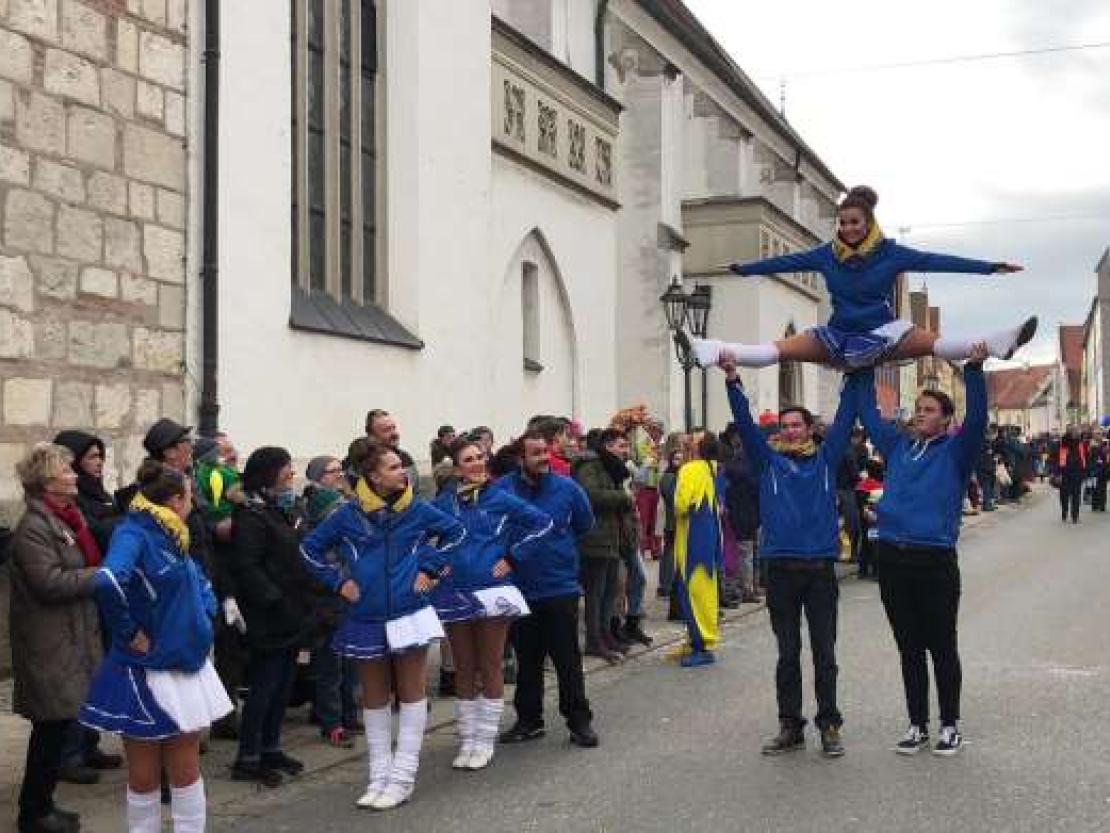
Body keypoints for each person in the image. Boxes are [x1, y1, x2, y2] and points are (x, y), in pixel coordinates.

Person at [683, 186, 1034, 371]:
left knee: (934, 343)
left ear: (868, 223)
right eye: (843, 222)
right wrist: (746, 268)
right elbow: (785, 262)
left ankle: (997, 343)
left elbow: (937, 260)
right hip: (838, 336)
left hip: (882, 334)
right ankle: (711, 350)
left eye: (855, 222)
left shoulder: (891, 253)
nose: (848, 229)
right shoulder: (826, 254)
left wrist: (989, 267)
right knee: (777, 350)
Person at [301, 441, 466, 811]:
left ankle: (403, 777)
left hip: (409, 612)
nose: (402, 472)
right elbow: (309, 549)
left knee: (410, 694)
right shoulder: (347, 514)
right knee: (373, 699)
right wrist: (339, 581)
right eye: (393, 467)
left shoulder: (419, 509)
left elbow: (457, 534)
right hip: (366, 615)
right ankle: (378, 776)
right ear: (373, 476)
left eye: (401, 466)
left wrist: (431, 568)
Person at [79, 461, 232, 833]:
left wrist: (205, 610)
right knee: (146, 776)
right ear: (176, 500)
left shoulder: (172, 533)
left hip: (185, 661)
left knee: (186, 770)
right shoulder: (134, 533)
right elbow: (107, 581)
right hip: (146, 668)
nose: (194, 503)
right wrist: (129, 631)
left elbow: (197, 579)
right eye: (191, 497)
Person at [854, 343, 990, 757]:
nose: (920, 413)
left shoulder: (954, 452)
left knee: (941, 646)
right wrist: (860, 373)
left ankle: (949, 725)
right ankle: (917, 724)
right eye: (919, 408)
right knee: (909, 647)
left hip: (934, 561)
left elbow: (978, 420)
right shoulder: (898, 448)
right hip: (894, 558)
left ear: (947, 419)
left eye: (929, 409)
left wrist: (975, 371)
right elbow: (870, 417)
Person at [721, 356, 858, 757]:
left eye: (797, 424)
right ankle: (790, 725)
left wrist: (852, 379)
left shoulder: (826, 459)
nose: (790, 430)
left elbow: (847, 417)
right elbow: (744, 423)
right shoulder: (769, 462)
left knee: (825, 654)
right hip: (779, 568)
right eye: (785, 425)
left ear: (811, 429)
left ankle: (829, 725)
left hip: (819, 570)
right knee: (787, 654)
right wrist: (733, 379)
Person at [431, 437, 553, 770]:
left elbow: (543, 524)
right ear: (457, 468)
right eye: (469, 459)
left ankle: (484, 739)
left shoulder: (501, 497)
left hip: (492, 591)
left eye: (481, 458)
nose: (478, 464)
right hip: (455, 590)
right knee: (463, 666)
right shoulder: (444, 503)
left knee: (491, 664)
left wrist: (513, 557)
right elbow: (422, 538)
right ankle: (467, 737)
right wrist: (436, 565)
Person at [10, 443, 103, 833]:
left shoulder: (65, 518)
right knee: (49, 728)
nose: (74, 475)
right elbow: (47, 582)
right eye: (67, 470)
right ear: (48, 481)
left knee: (59, 724)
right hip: (48, 641)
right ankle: (33, 813)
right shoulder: (34, 527)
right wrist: (99, 577)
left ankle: (43, 803)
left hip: (69, 635)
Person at [490, 430, 599, 748]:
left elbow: (584, 524)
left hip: (559, 586)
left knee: (567, 659)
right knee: (528, 660)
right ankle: (528, 720)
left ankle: (579, 721)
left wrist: (559, 550)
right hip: (520, 588)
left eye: (545, 452)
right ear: (520, 458)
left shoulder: (568, 489)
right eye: (535, 453)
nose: (543, 458)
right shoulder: (504, 489)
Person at [228, 447, 311, 786]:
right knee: (264, 685)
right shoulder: (249, 515)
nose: (291, 473)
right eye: (285, 468)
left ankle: (271, 747)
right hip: (268, 615)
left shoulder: (274, 510)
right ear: (268, 473)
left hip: (289, 612)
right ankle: (248, 756)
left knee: (283, 685)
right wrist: (274, 599)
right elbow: (247, 566)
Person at [51, 431, 125, 780]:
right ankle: (69, 752)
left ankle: (88, 742)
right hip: (82, 592)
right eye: (92, 457)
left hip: (101, 591)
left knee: (97, 672)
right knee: (77, 677)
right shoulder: (71, 503)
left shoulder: (99, 494)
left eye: (100, 456)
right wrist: (123, 521)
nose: (98, 463)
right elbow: (96, 533)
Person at [302, 456, 359, 748]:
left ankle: (349, 714)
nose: (339, 475)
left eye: (340, 470)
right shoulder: (317, 525)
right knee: (329, 666)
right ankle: (332, 721)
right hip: (326, 603)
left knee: (349, 664)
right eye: (332, 471)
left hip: (346, 600)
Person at [574, 428, 640, 662]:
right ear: (608, 446)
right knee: (596, 593)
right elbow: (589, 495)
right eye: (622, 446)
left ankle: (605, 634)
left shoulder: (613, 468)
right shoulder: (590, 466)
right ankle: (594, 640)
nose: (626, 451)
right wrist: (623, 498)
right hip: (594, 538)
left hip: (612, 537)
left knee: (610, 591)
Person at [672, 431, 725, 668]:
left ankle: (700, 645)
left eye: (694, 437)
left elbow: (681, 505)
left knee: (690, 590)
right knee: (705, 589)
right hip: (710, 533)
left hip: (693, 535)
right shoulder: (712, 467)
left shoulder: (690, 469)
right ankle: (698, 640)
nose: (689, 438)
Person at [656, 436, 685, 603]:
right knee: (669, 552)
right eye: (676, 459)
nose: (679, 462)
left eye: (681, 459)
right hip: (671, 522)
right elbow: (672, 497)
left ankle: (668, 582)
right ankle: (665, 584)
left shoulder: (676, 475)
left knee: (671, 552)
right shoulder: (668, 476)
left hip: (675, 520)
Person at [365, 408, 421, 494]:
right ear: (371, 435)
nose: (394, 433)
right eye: (386, 430)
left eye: (393, 428)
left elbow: (415, 492)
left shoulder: (405, 458)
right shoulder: (359, 462)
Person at [1054, 428, 1087, 524]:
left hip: (1077, 473)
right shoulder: (1062, 445)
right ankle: (1064, 511)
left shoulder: (1080, 445)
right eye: (1074, 433)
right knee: (1064, 495)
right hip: (1065, 474)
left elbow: (1084, 458)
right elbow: (1056, 460)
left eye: (1076, 433)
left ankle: (1075, 516)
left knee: (1076, 495)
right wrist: (1057, 473)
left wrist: (1084, 472)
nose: (1076, 434)